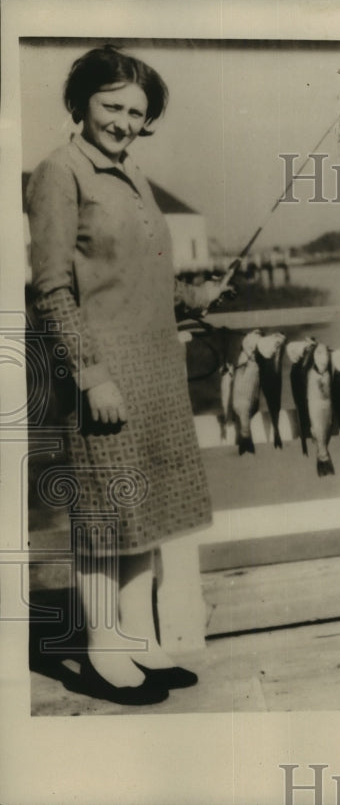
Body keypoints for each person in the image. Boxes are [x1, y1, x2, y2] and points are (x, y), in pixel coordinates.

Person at [27, 46, 232, 705]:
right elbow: (52, 289)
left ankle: (140, 640)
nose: (123, 121)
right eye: (111, 105)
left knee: (146, 510)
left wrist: (193, 299)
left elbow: (136, 277)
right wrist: (92, 378)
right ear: (80, 103)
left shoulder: (134, 175)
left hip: (157, 371)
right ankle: (102, 650)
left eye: (136, 113)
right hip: (105, 374)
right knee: (102, 512)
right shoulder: (60, 172)